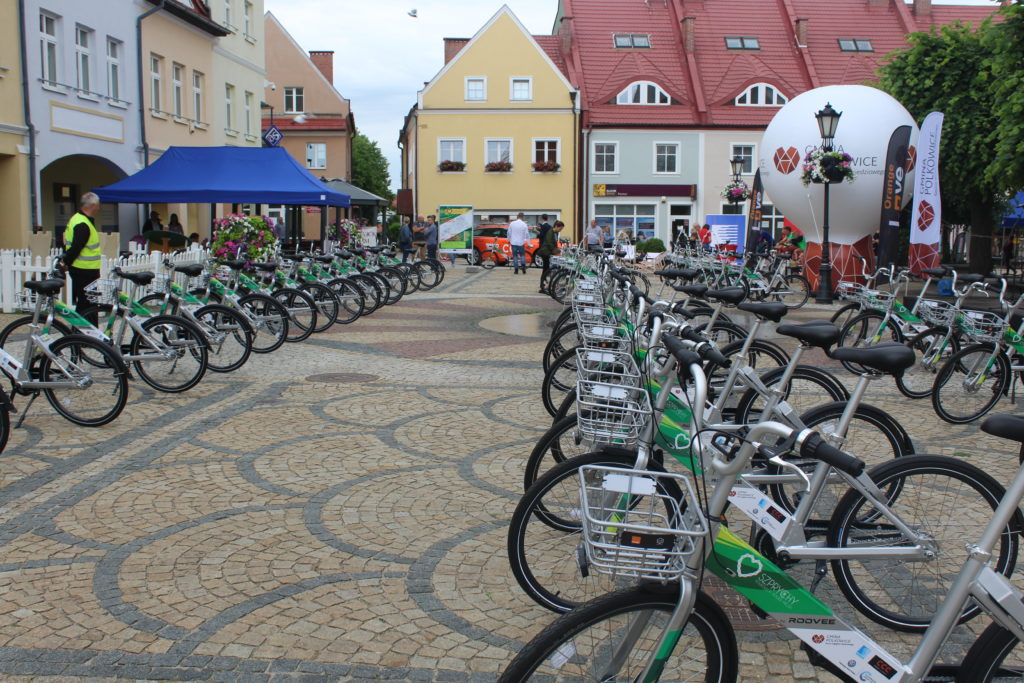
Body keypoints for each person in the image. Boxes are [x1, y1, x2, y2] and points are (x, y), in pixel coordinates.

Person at [60, 192, 102, 316]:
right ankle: (83, 332)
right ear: (93, 205)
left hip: (82, 269)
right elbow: (76, 247)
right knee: (88, 305)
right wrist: (66, 262)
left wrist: (67, 262)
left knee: (85, 303)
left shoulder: (77, 219)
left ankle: (80, 332)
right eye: (98, 205)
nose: (99, 208)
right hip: (85, 270)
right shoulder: (83, 224)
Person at [538, 220, 564, 293]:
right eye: (560, 229)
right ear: (556, 226)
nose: (560, 230)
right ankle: (542, 286)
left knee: (547, 270)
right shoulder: (550, 232)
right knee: (546, 270)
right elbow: (549, 243)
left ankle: (545, 285)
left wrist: (557, 249)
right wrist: (556, 251)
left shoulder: (555, 233)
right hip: (545, 252)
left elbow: (554, 243)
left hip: (549, 252)